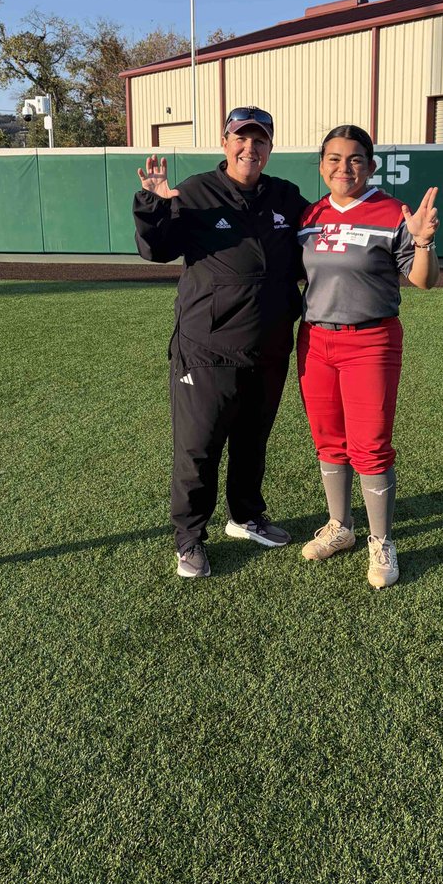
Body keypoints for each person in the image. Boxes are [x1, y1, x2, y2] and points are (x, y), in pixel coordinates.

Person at [133, 107, 307, 579]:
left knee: (253, 442)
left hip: (269, 348)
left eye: (260, 140)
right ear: (225, 142)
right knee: (199, 449)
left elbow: (314, 245)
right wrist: (152, 205)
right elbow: (156, 250)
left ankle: (246, 516)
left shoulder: (287, 197)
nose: (250, 148)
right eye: (241, 139)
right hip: (205, 350)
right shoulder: (195, 192)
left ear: (270, 147)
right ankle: (189, 537)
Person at [296, 124, 439, 589]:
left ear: (371, 165)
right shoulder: (310, 214)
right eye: (334, 159)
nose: (344, 167)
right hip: (315, 340)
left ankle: (381, 540)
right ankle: (341, 526)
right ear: (321, 166)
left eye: (355, 158)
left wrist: (422, 242)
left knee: (370, 445)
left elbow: (423, 280)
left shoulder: (390, 212)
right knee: (327, 439)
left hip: (370, 341)